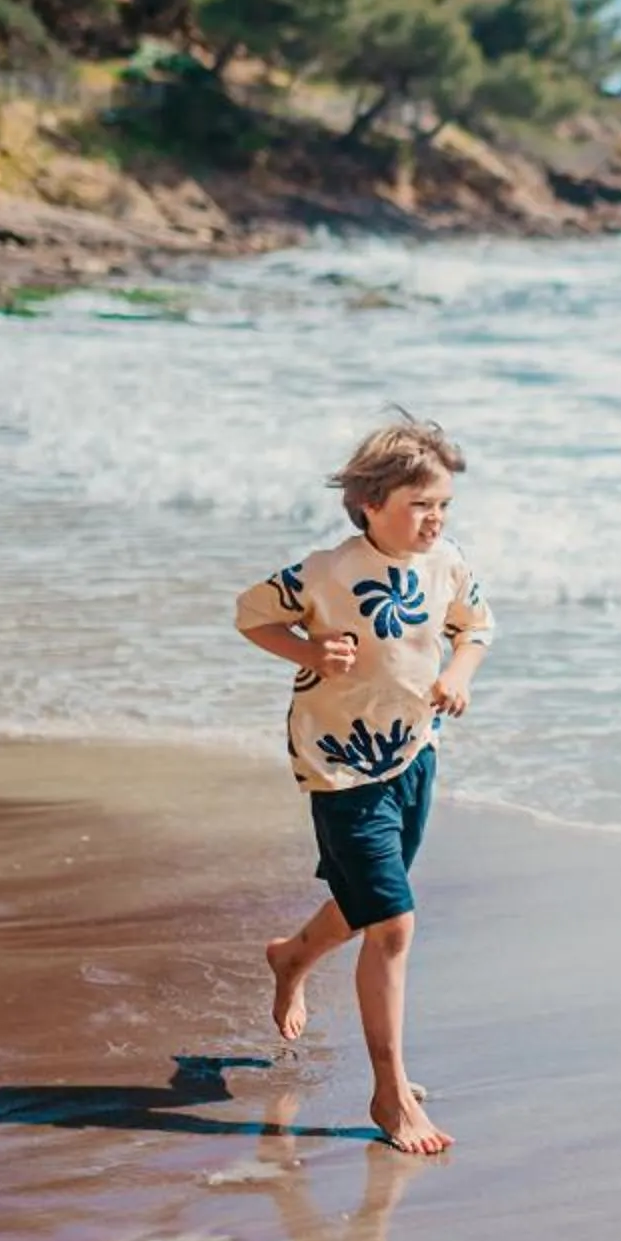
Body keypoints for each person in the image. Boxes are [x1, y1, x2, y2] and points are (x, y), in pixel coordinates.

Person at [235, 417, 493, 1154]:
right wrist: (310, 646)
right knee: (393, 922)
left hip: (413, 754)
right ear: (370, 503)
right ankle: (389, 1092)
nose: (435, 518)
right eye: (420, 504)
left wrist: (457, 675)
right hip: (338, 764)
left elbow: (476, 627)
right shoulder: (325, 572)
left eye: (443, 504)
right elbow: (250, 615)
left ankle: (291, 957)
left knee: (369, 902)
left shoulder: (445, 563)